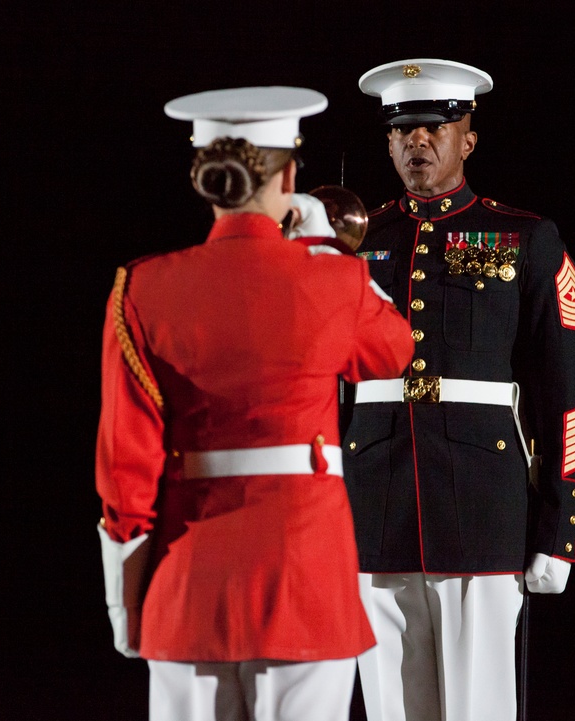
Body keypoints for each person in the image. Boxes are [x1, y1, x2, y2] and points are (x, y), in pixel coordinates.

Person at [94, 86, 415, 721]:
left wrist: (125, 606)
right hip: (306, 580)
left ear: (205, 178)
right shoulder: (331, 279)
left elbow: (123, 467)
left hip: (187, 589)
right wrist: (324, 247)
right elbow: (394, 350)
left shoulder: (144, 286)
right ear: (290, 173)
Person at [340, 59, 575, 721]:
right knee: (388, 704)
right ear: (388, 142)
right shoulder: (354, 244)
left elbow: (570, 392)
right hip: (371, 508)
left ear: (468, 138)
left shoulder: (526, 238)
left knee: (478, 707)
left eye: (434, 127)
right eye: (403, 131)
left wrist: (559, 529)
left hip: (484, 510)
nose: (417, 142)